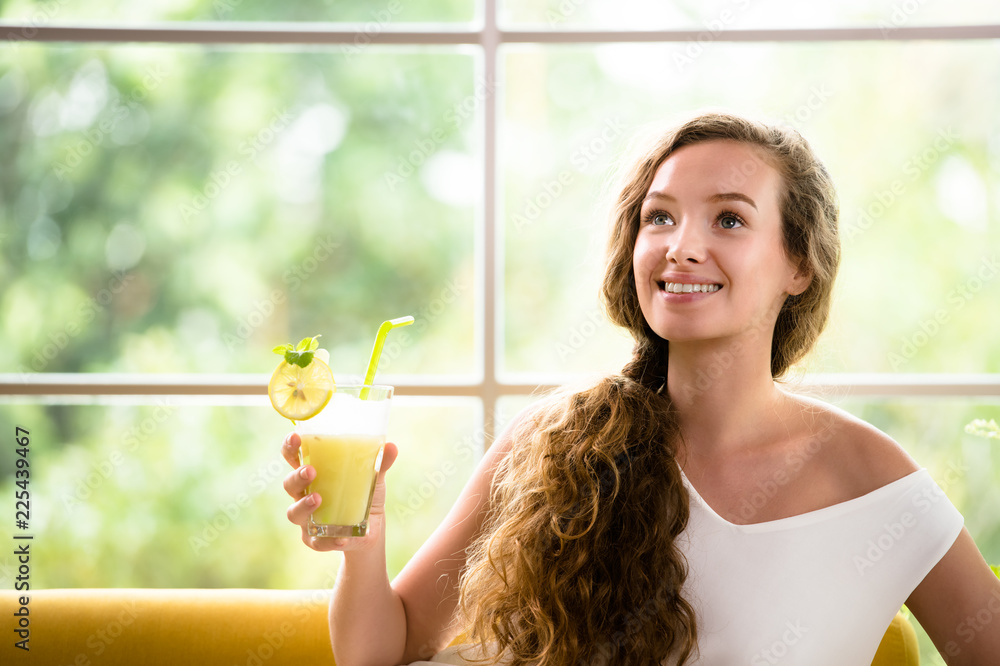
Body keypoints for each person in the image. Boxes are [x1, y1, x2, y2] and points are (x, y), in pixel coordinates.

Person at [281, 112, 1000, 665]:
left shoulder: (873, 480)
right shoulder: (555, 439)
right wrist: (363, 545)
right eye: (659, 216)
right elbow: (384, 648)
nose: (681, 245)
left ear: (799, 264)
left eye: (729, 218)